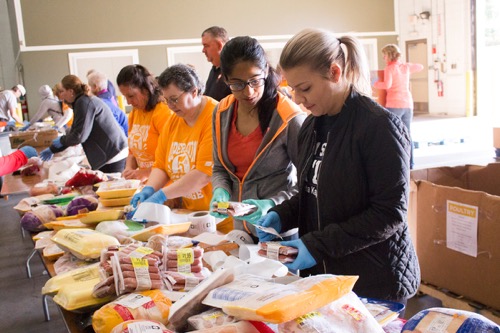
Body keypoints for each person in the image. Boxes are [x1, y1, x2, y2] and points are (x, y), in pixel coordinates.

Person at [256, 28, 420, 308]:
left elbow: (389, 213)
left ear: (334, 72)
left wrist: (316, 246)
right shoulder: (311, 126)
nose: (296, 98)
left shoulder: (379, 127)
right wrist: (280, 216)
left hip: (372, 281)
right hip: (324, 277)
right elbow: (313, 191)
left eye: (304, 88)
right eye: (292, 88)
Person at [209, 36, 306, 239]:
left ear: (266, 73)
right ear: (225, 79)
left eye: (255, 80)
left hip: (277, 228)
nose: (249, 91)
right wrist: (220, 191)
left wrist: (272, 203)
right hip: (240, 229)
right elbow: (220, 168)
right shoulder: (221, 112)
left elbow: (308, 183)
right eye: (237, 84)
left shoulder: (288, 117)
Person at [130, 64, 217, 211]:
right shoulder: (173, 121)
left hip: (219, 214)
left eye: (174, 99)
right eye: (166, 100)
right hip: (190, 211)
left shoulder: (215, 117)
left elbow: (203, 174)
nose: (170, 106)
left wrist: (162, 195)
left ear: (194, 92)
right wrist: (150, 189)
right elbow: (161, 165)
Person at [39, 75, 128, 173]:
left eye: (63, 91)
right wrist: (53, 149)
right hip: (111, 151)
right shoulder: (82, 101)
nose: (61, 95)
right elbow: (76, 132)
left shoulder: (83, 103)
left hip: (112, 153)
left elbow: (79, 136)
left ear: (71, 92)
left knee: (110, 186)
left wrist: (61, 141)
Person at [117, 64, 173, 183]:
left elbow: (172, 157)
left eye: (131, 96)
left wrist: (145, 173)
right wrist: (128, 168)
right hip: (147, 185)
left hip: (166, 186)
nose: (128, 101)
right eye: (125, 96)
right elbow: (132, 152)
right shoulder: (134, 113)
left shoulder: (163, 113)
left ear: (146, 89)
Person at [373, 44, 424, 169]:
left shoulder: (390, 68)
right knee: (407, 134)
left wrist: (374, 83)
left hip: (394, 105)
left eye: (384, 55)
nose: (384, 58)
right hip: (407, 105)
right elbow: (420, 66)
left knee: (391, 133)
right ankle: (411, 163)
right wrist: (405, 65)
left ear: (389, 55)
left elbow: (387, 85)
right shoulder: (405, 67)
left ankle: (392, 161)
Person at [88, 71, 128, 136]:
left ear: (95, 87)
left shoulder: (101, 104)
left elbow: (116, 131)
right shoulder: (111, 99)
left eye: (89, 86)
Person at [201, 26, 232, 101]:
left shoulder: (234, 70)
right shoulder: (214, 70)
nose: (203, 50)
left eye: (206, 46)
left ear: (219, 45)